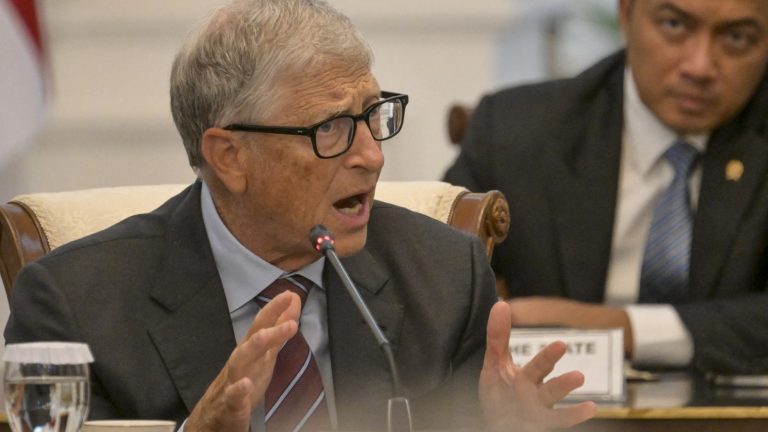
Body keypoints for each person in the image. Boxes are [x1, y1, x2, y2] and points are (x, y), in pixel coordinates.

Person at [4, 0, 595, 431]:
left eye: (374, 115)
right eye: (331, 128)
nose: (372, 155)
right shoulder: (76, 304)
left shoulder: (443, 278)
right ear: (229, 157)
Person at [444, 0, 768, 374]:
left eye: (737, 37)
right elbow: (431, 284)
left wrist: (620, 328)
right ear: (626, 14)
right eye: (674, 25)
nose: (699, 66)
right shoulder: (516, 132)